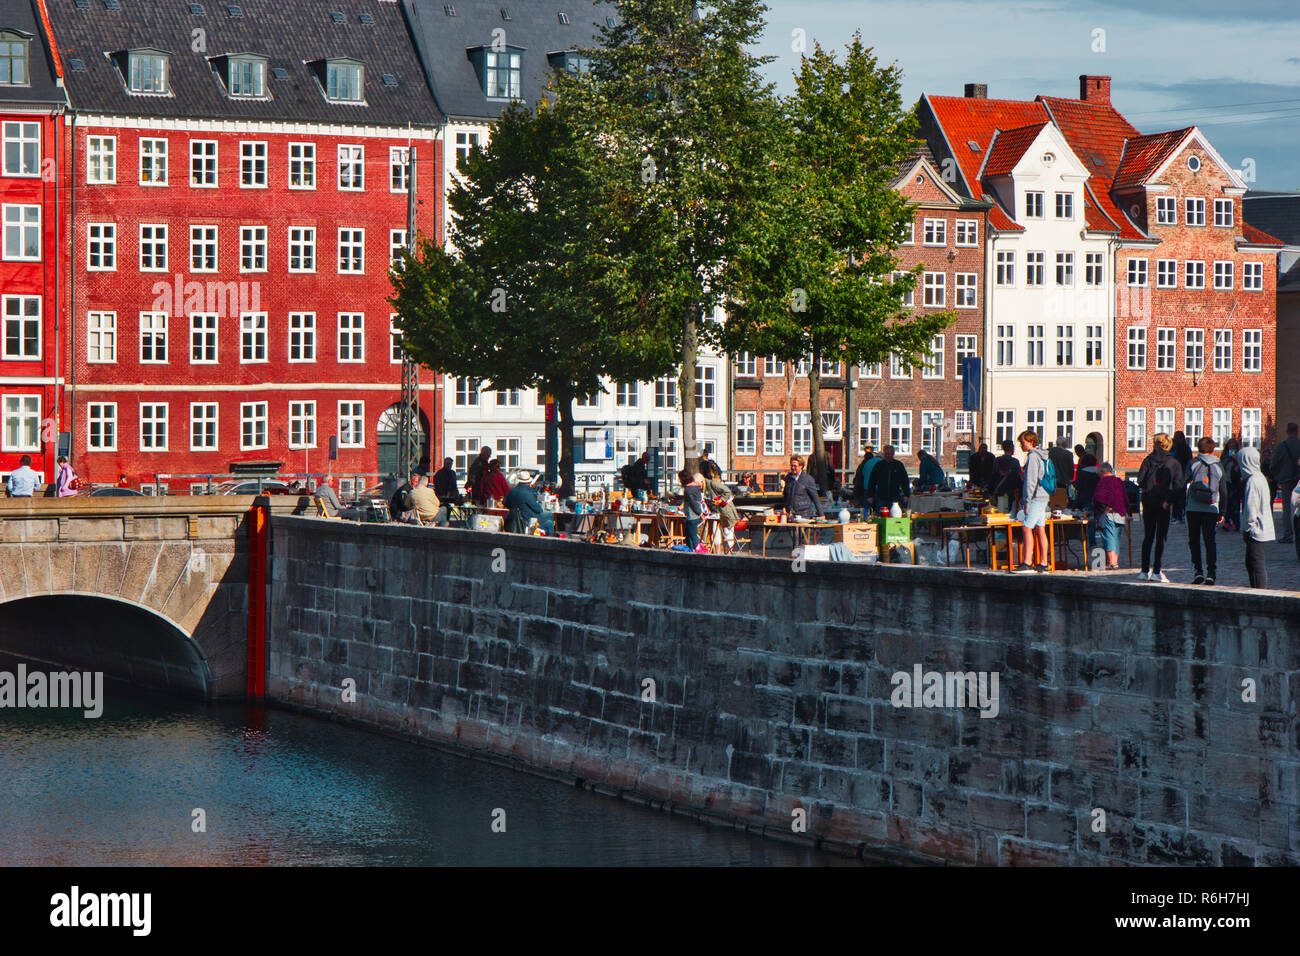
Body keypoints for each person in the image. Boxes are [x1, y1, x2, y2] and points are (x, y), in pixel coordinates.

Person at [1136, 432, 1182, 582]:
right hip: (1164, 503)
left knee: (1148, 536)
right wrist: (1169, 501)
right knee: (1161, 537)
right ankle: (1156, 570)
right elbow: (1178, 486)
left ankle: (1144, 570)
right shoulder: (1173, 463)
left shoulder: (1148, 460)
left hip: (1148, 500)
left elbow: (1140, 480)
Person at [1185, 436, 1222, 585]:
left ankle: (1198, 571)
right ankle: (1211, 573)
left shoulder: (1193, 463)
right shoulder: (1219, 465)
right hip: (1211, 507)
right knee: (1209, 540)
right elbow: (1224, 489)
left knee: (1194, 540)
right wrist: (1223, 510)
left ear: (1198, 448)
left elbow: (1182, 482)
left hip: (1193, 507)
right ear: (1213, 449)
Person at [1239, 445, 1274, 588]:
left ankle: (1259, 591)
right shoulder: (1259, 477)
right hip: (1260, 527)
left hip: (1256, 530)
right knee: (1252, 562)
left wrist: (1249, 526)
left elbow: (1251, 506)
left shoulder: (1253, 480)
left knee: (1256, 563)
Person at [1016, 430, 1051, 573]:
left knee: (1026, 528)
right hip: (1043, 495)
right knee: (1040, 529)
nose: (1021, 446)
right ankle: (1043, 563)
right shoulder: (1042, 455)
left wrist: (1027, 501)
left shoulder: (1032, 457)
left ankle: (1027, 563)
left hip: (1036, 497)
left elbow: (1030, 481)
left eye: (1023, 442)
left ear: (1031, 442)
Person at [1092, 463, 1129, 569]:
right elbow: (1125, 497)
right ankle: (1115, 562)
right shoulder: (1118, 481)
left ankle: (1112, 563)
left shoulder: (1103, 482)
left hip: (1109, 513)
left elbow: (1099, 498)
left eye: (1099, 473)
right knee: (1116, 538)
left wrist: (1101, 511)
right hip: (1120, 512)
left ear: (1103, 472)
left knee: (1109, 537)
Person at [1270, 421, 1300, 544]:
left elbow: (1273, 464)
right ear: (1297, 431)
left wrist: (1276, 476)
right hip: (1299, 480)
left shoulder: (1281, 446)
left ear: (1287, 431)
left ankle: (1288, 535)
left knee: (1287, 508)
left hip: (1286, 479)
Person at [864, 445, 909, 513]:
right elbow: (872, 481)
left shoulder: (898, 465)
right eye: (886, 454)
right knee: (880, 515)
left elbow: (904, 480)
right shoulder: (879, 465)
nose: (888, 456)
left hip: (895, 497)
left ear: (893, 454)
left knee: (895, 516)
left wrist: (906, 494)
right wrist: (870, 495)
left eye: (889, 454)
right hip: (881, 497)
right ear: (884, 453)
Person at [703, 472, 740, 551]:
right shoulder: (707, 487)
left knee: (728, 532)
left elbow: (728, 492)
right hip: (716, 513)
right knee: (716, 533)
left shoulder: (714, 484)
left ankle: (729, 553)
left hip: (725, 512)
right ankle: (718, 553)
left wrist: (720, 500)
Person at [782, 454, 824, 520]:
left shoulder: (808, 479)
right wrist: (784, 508)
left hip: (804, 514)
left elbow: (815, 498)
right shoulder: (788, 478)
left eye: (795, 466)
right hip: (790, 514)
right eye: (791, 466)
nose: (793, 468)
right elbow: (785, 496)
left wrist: (821, 515)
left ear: (801, 466)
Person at [991, 440, 1022, 515]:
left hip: (999, 489)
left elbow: (993, 475)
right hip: (1012, 490)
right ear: (1011, 448)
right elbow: (1018, 476)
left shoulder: (997, 460)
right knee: (1011, 509)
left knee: (1000, 508)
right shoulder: (1015, 462)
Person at [678, 469, 706, 549]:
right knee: (690, 535)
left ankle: (697, 551)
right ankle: (690, 551)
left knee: (693, 536)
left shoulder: (688, 489)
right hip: (696, 515)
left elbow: (692, 503)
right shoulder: (696, 487)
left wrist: (699, 513)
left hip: (692, 515)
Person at [1219, 438, 1242, 531]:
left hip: (1235, 483)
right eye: (1230, 446)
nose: (1231, 447)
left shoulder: (1239, 456)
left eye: (1233, 446)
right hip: (1226, 482)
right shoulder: (1224, 457)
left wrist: (1236, 461)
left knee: (1235, 504)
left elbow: (1241, 468)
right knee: (1226, 503)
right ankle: (1227, 521)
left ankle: (1236, 523)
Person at [1170, 431, 1192, 522]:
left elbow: (1188, 462)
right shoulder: (1176, 447)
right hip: (1178, 475)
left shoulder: (1183, 448)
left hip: (1181, 475)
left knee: (1179, 497)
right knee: (1177, 497)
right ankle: (1177, 515)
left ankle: (1179, 515)